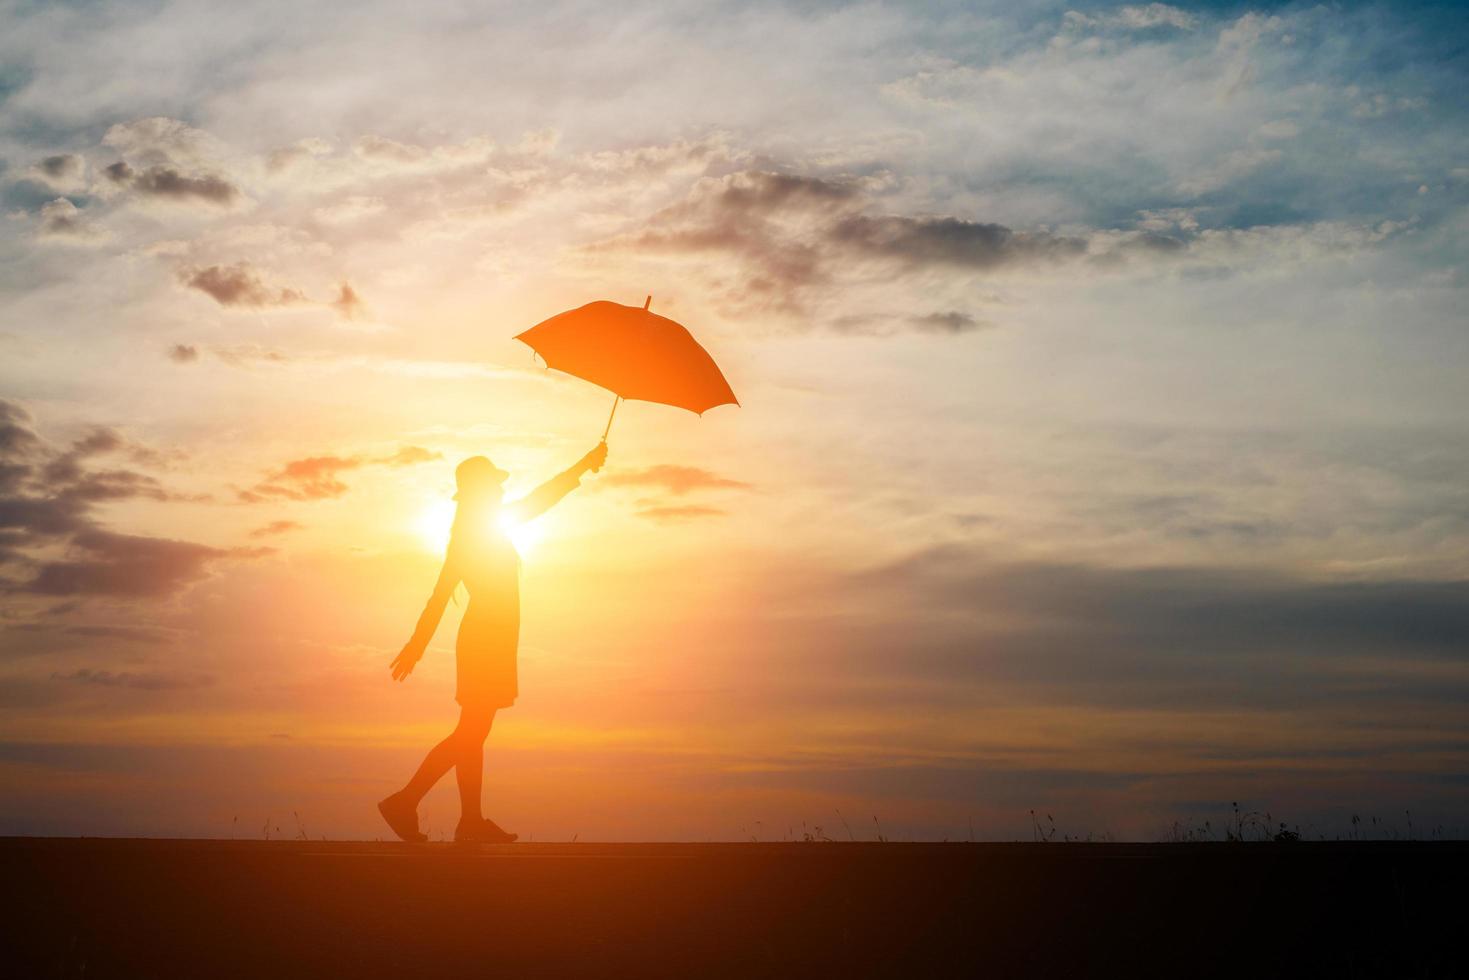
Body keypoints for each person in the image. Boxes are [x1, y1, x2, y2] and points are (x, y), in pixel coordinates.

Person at [378, 441, 608, 842]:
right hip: (484, 642)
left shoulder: (481, 530)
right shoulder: (473, 534)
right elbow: (539, 500)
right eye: (495, 485)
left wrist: (584, 467)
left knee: (473, 733)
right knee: (470, 734)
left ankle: (468, 821)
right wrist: (584, 466)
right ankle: (407, 801)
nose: (502, 490)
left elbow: (539, 501)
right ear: (480, 492)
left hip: (492, 641)